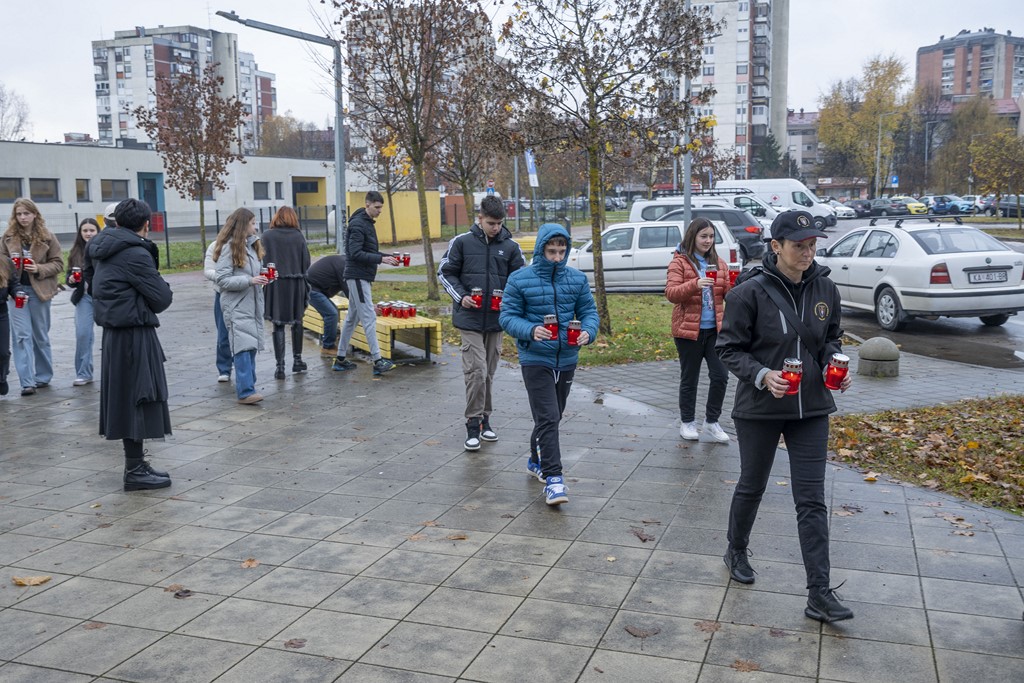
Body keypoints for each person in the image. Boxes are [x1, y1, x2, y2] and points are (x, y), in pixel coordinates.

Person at [716, 210, 854, 623]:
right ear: (776, 247)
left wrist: (835, 366)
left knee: (811, 500)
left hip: (811, 407)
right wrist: (761, 375)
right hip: (760, 408)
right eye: (799, 246)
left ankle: (819, 594)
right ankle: (736, 549)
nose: (808, 253)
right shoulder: (748, 293)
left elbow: (831, 339)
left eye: (812, 245)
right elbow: (728, 349)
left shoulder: (826, 287)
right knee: (752, 485)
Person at [499, 223, 599, 506]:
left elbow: (589, 312)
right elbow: (507, 317)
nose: (557, 257)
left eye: (561, 251)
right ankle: (554, 479)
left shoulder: (576, 279)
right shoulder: (520, 279)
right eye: (551, 251)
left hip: (567, 358)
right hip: (535, 358)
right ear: (541, 249)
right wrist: (531, 330)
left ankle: (534, 459)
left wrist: (587, 333)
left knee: (553, 416)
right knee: (548, 417)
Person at [87, 198, 173, 491]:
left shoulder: (102, 247)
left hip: (115, 333)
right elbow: (161, 298)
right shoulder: (134, 253)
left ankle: (135, 463)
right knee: (138, 396)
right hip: (134, 333)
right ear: (145, 224)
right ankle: (134, 470)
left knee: (128, 396)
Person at [439, 195, 525, 451]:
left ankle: (485, 420)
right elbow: (445, 272)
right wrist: (461, 296)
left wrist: (511, 304)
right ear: (479, 218)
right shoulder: (461, 243)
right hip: (470, 319)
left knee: (487, 373)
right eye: (491, 223)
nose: (495, 228)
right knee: (476, 371)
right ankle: (472, 424)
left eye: (499, 223)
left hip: (497, 321)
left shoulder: (510, 247)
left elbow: (520, 280)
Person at [665, 217, 731, 443]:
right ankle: (687, 422)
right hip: (688, 331)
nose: (708, 241)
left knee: (721, 376)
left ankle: (712, 422)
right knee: (689, 378)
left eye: (711, 236)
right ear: (692, 237)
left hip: (715, 331)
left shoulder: (719, 263)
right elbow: (671, 293)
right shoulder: (679, 262)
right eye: (703, 236)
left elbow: (728, 293)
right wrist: (695, 284)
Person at [0, 198, 64, 396]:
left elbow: (58, 264)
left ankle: (43, 376)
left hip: (39, 292)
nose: (22, 217)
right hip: (15, 293)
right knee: (21, 336)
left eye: (26, 213)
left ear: (35, 214)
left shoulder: (48, 237)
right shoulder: (8, 237)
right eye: (19, 214)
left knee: (40, 336)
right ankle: (26, 382)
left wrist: (38, 268)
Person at [333, 191, 397, 376]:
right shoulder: (359, 224)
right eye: (377, 207)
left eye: (381, 208)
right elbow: (354, 253)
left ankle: (340, 358)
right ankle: (378, 360)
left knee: (352, 318)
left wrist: (386, 257)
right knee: (369, 316)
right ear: (367, 204)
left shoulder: (365, 222)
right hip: (358, 277)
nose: (380, 211)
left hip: (360, 276)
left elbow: (365, 250)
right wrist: (381, 259)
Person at [214, 208, 268, 404]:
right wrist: (250, 281)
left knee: (250, 345)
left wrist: (264, 276)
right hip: (237, 305)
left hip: (251, 304)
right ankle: (245, 391)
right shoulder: (230, 248)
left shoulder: (251, 247)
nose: (256, 226)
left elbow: (252, 272)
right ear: (243, 225)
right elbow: (222, 280)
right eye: (253, 223)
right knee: (243, 347)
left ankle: (249, 387)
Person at [261, 206, 312, 380]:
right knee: (297, 321)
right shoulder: (298, 236)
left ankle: (280, 366)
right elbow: (306, 262)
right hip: (296, 284)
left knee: (278, 323)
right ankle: (297, 360)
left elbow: (262, 260)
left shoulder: (267, 236)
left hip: (275, 284)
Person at [66, 218, 100, 386]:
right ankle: (84, 372)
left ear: (98, 231)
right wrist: (71, 280)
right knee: (83, 334)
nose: (88, 233)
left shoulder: (103, 248)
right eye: (85, 230)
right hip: (84, 298)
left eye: (92, 230)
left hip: (103, 297)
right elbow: (68, 278)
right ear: (80, 233)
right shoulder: (75, 252)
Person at [305, 254, 348, 356]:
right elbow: (348, 289)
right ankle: (327, 347)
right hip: (311, 288)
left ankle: (329, 343)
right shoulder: (343, 265)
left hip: (316, 288)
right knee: (331, 314)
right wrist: (364, 305)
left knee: (332, 313)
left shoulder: (344, 261)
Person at [204, 240, 233, 383]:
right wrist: (226, 278)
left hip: (244, 293)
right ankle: (224, 367)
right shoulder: (216, 246)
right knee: (223, 332)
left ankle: (241, 364)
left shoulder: (249, 245)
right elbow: (208, 270)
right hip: (222, 292)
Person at [0, 260, 11, 396]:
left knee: (3, 352)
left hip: (1, 312)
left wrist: (18, 292)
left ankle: (2, 377)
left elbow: (14, 285)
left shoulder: (5, 263)